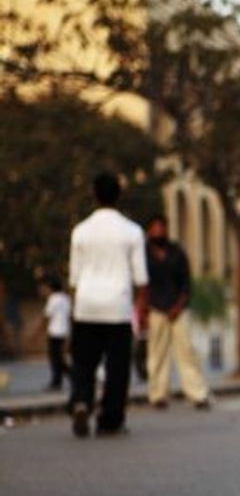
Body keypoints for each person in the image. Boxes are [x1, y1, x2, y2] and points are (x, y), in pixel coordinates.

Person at [68, 172, 148, 438]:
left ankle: (81, 401)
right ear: (119, 195)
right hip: (118, 307)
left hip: (86, 306)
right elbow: (141, 279)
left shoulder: (80, 231)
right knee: (117, 368)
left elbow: (74, 278)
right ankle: (110, 420)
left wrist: (74, 312)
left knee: (83, 364)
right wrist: (142, 312)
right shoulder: (132, 231)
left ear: (94, 194)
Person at [144, 216, 211, 409]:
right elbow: (142, 284)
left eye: (161, 228)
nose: (158, 232)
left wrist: (178, 306)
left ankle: (197, 393)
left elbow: (186, 283)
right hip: (155, 309)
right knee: (156, 354)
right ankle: (158, 395)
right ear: (150, 231)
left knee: (187, 352)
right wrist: (143, 309)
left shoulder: (177, 252)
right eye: (154, 229)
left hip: (178, 310)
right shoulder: (144, 254)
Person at [39, 276, 72, 392]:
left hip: (54, 332)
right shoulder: (66, 298)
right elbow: (70, 316)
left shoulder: (53, 299)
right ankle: (66, 379)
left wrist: (39, 332)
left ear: (50, 288)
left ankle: (57, 382)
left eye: (45, 288)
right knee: (60, 359)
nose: (43, 290)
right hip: (64, 332)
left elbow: (46, 317)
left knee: (55, 359)